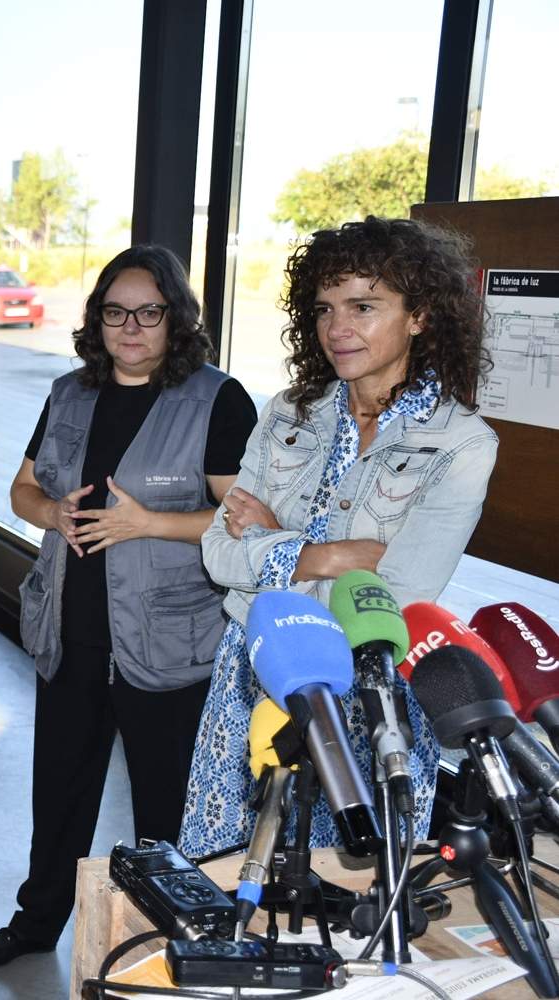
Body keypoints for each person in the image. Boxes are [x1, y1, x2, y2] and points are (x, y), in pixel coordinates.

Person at [0, 246, 259, 966]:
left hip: (168, 643)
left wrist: (147, 523)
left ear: (175, 319)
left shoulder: (217, 400)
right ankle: (36, 925)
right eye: (115, 312)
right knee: (59, 796)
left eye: (148, 313)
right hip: (71, 632)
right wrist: (52, 513)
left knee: (165, 809)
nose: (131, 327)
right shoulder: (70, 393)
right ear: (97, 320)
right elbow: (22, 490)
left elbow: (247, 523)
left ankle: (168, 944)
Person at [177, 216, 499, 857]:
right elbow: (217, 552)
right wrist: (329, 557)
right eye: (325, 309)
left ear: (419, 316)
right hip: (255, 669)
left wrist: (274, 542)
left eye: (363, 307)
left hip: (367, 692)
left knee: (350, 883)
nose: (337, 328)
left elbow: (399, 593)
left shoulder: (462, 444)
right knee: (229, 870)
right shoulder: (288, 413)